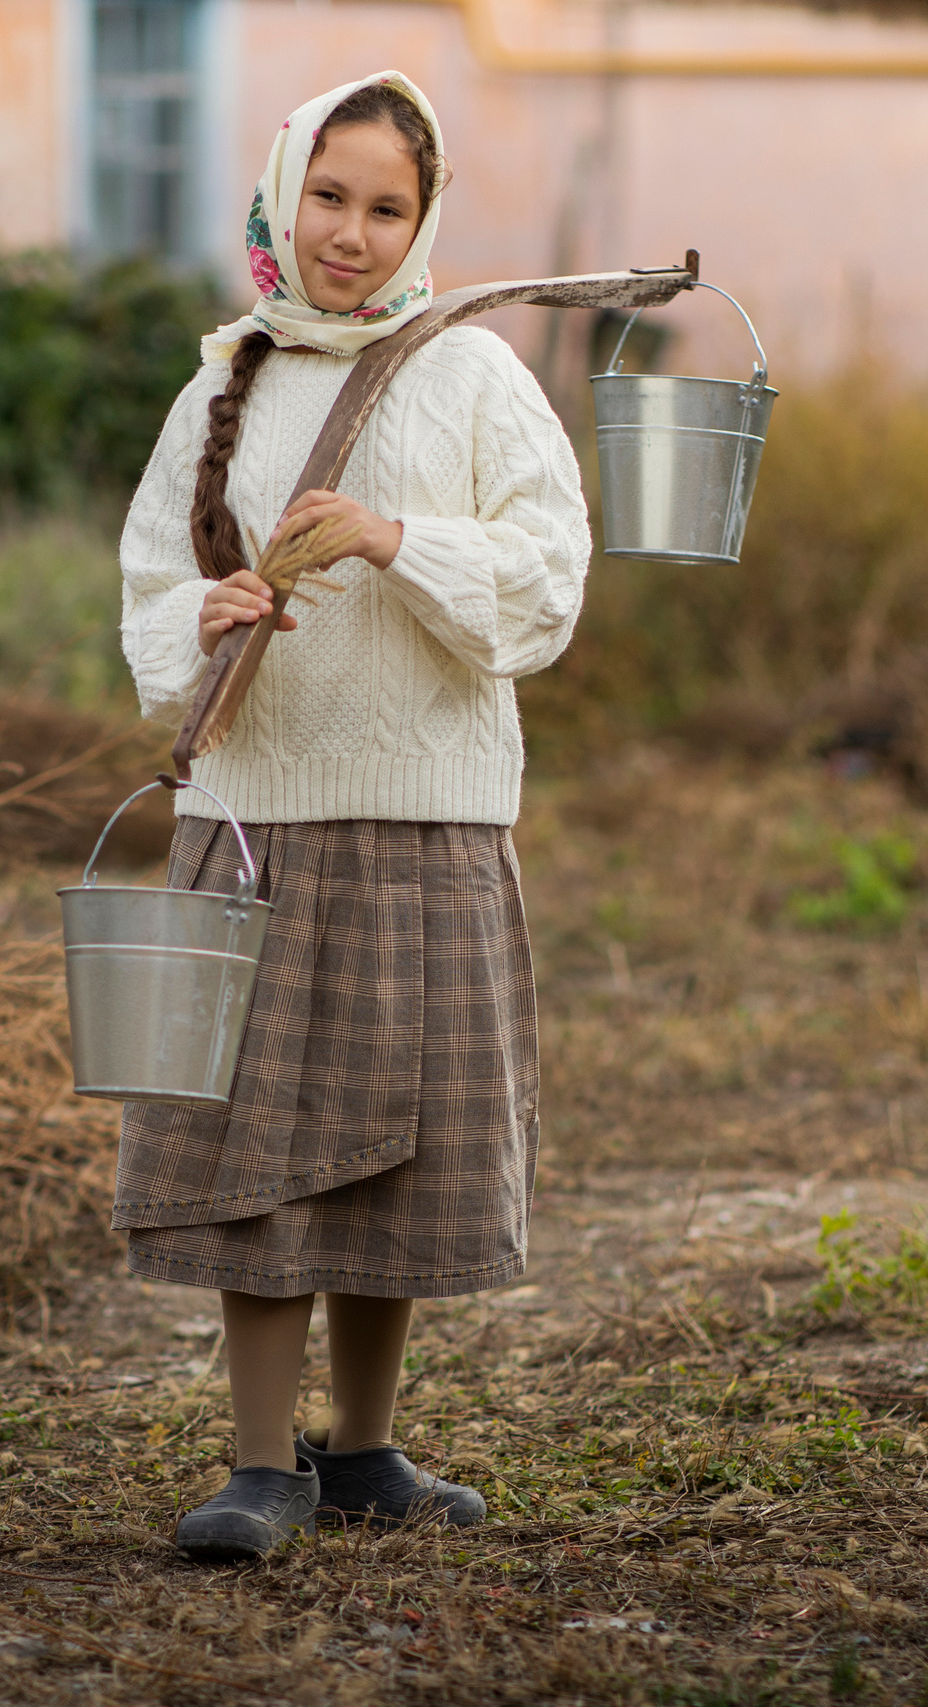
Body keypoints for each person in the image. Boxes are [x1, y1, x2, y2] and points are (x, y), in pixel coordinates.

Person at [114, 70, 587, 1562]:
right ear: (281, 196)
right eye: (328, 197)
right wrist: (205, 612)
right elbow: (145, 590)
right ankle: (264, 1464)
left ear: (424, 222)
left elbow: (547, 585)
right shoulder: (224, 383)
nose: (351, 234)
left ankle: (366, 1451)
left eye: (388, 208)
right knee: (253, 1153)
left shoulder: (475, 375)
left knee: (398, 1150)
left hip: (428, 820)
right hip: (255, 820)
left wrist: (392, 538)